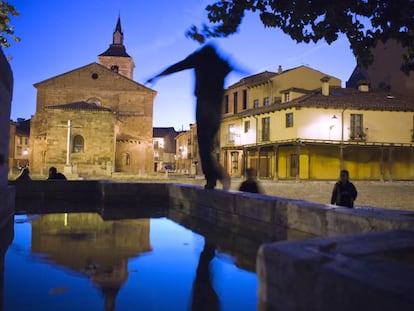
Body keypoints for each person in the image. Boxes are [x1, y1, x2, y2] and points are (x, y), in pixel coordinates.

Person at [147, 44, 231, 190]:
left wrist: (157, 76)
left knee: (204, 147)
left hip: (204, 104)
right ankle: (216, 178)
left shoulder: (200, 58)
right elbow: (235, 68)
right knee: (207, 147)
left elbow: (177, 66)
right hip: (217, 107)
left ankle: (215, 178)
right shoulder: (221, 63)